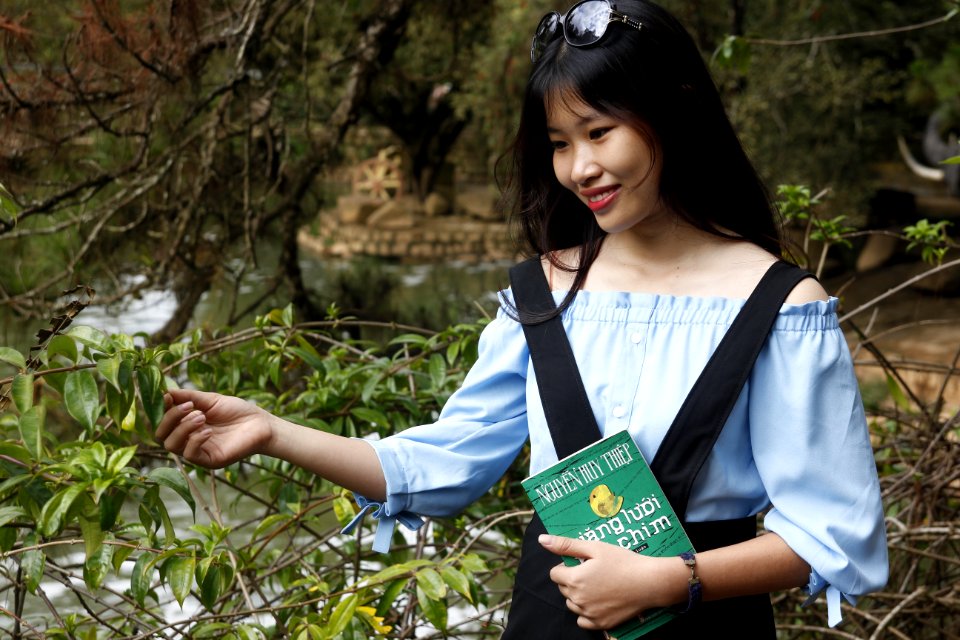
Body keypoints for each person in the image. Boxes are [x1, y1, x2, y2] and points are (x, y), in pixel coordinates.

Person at [156, 1, 888, 637]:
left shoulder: (783, 305)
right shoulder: (545, 293)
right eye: (560, 144)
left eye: (600, 132)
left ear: (675, 110)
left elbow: (831, 536)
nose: (579, 169)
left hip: (709, 629)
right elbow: (440, 464)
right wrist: (273, 433)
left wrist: (670, 580)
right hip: (547, 623)